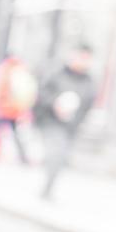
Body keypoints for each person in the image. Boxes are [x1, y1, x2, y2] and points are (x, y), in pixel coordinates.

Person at [35, 44, 98, 199]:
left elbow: (88, 105)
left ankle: (48, 185)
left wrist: (77, 121)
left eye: (86, 58)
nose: (82, 61)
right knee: (55, 153)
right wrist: (55, 104)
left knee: (61, 156)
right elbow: (42, 94)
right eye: (80, 57)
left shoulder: (89, 82)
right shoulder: (57, 73)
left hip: (70, 126)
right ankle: (47, 189)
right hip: (51, 121)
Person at [0, 54, 37, 163]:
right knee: (14, 133)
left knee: (1, 132)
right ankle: (21, 156)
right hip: (15, 108)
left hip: (5, 107)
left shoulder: (4, 70)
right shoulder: (20, 70)